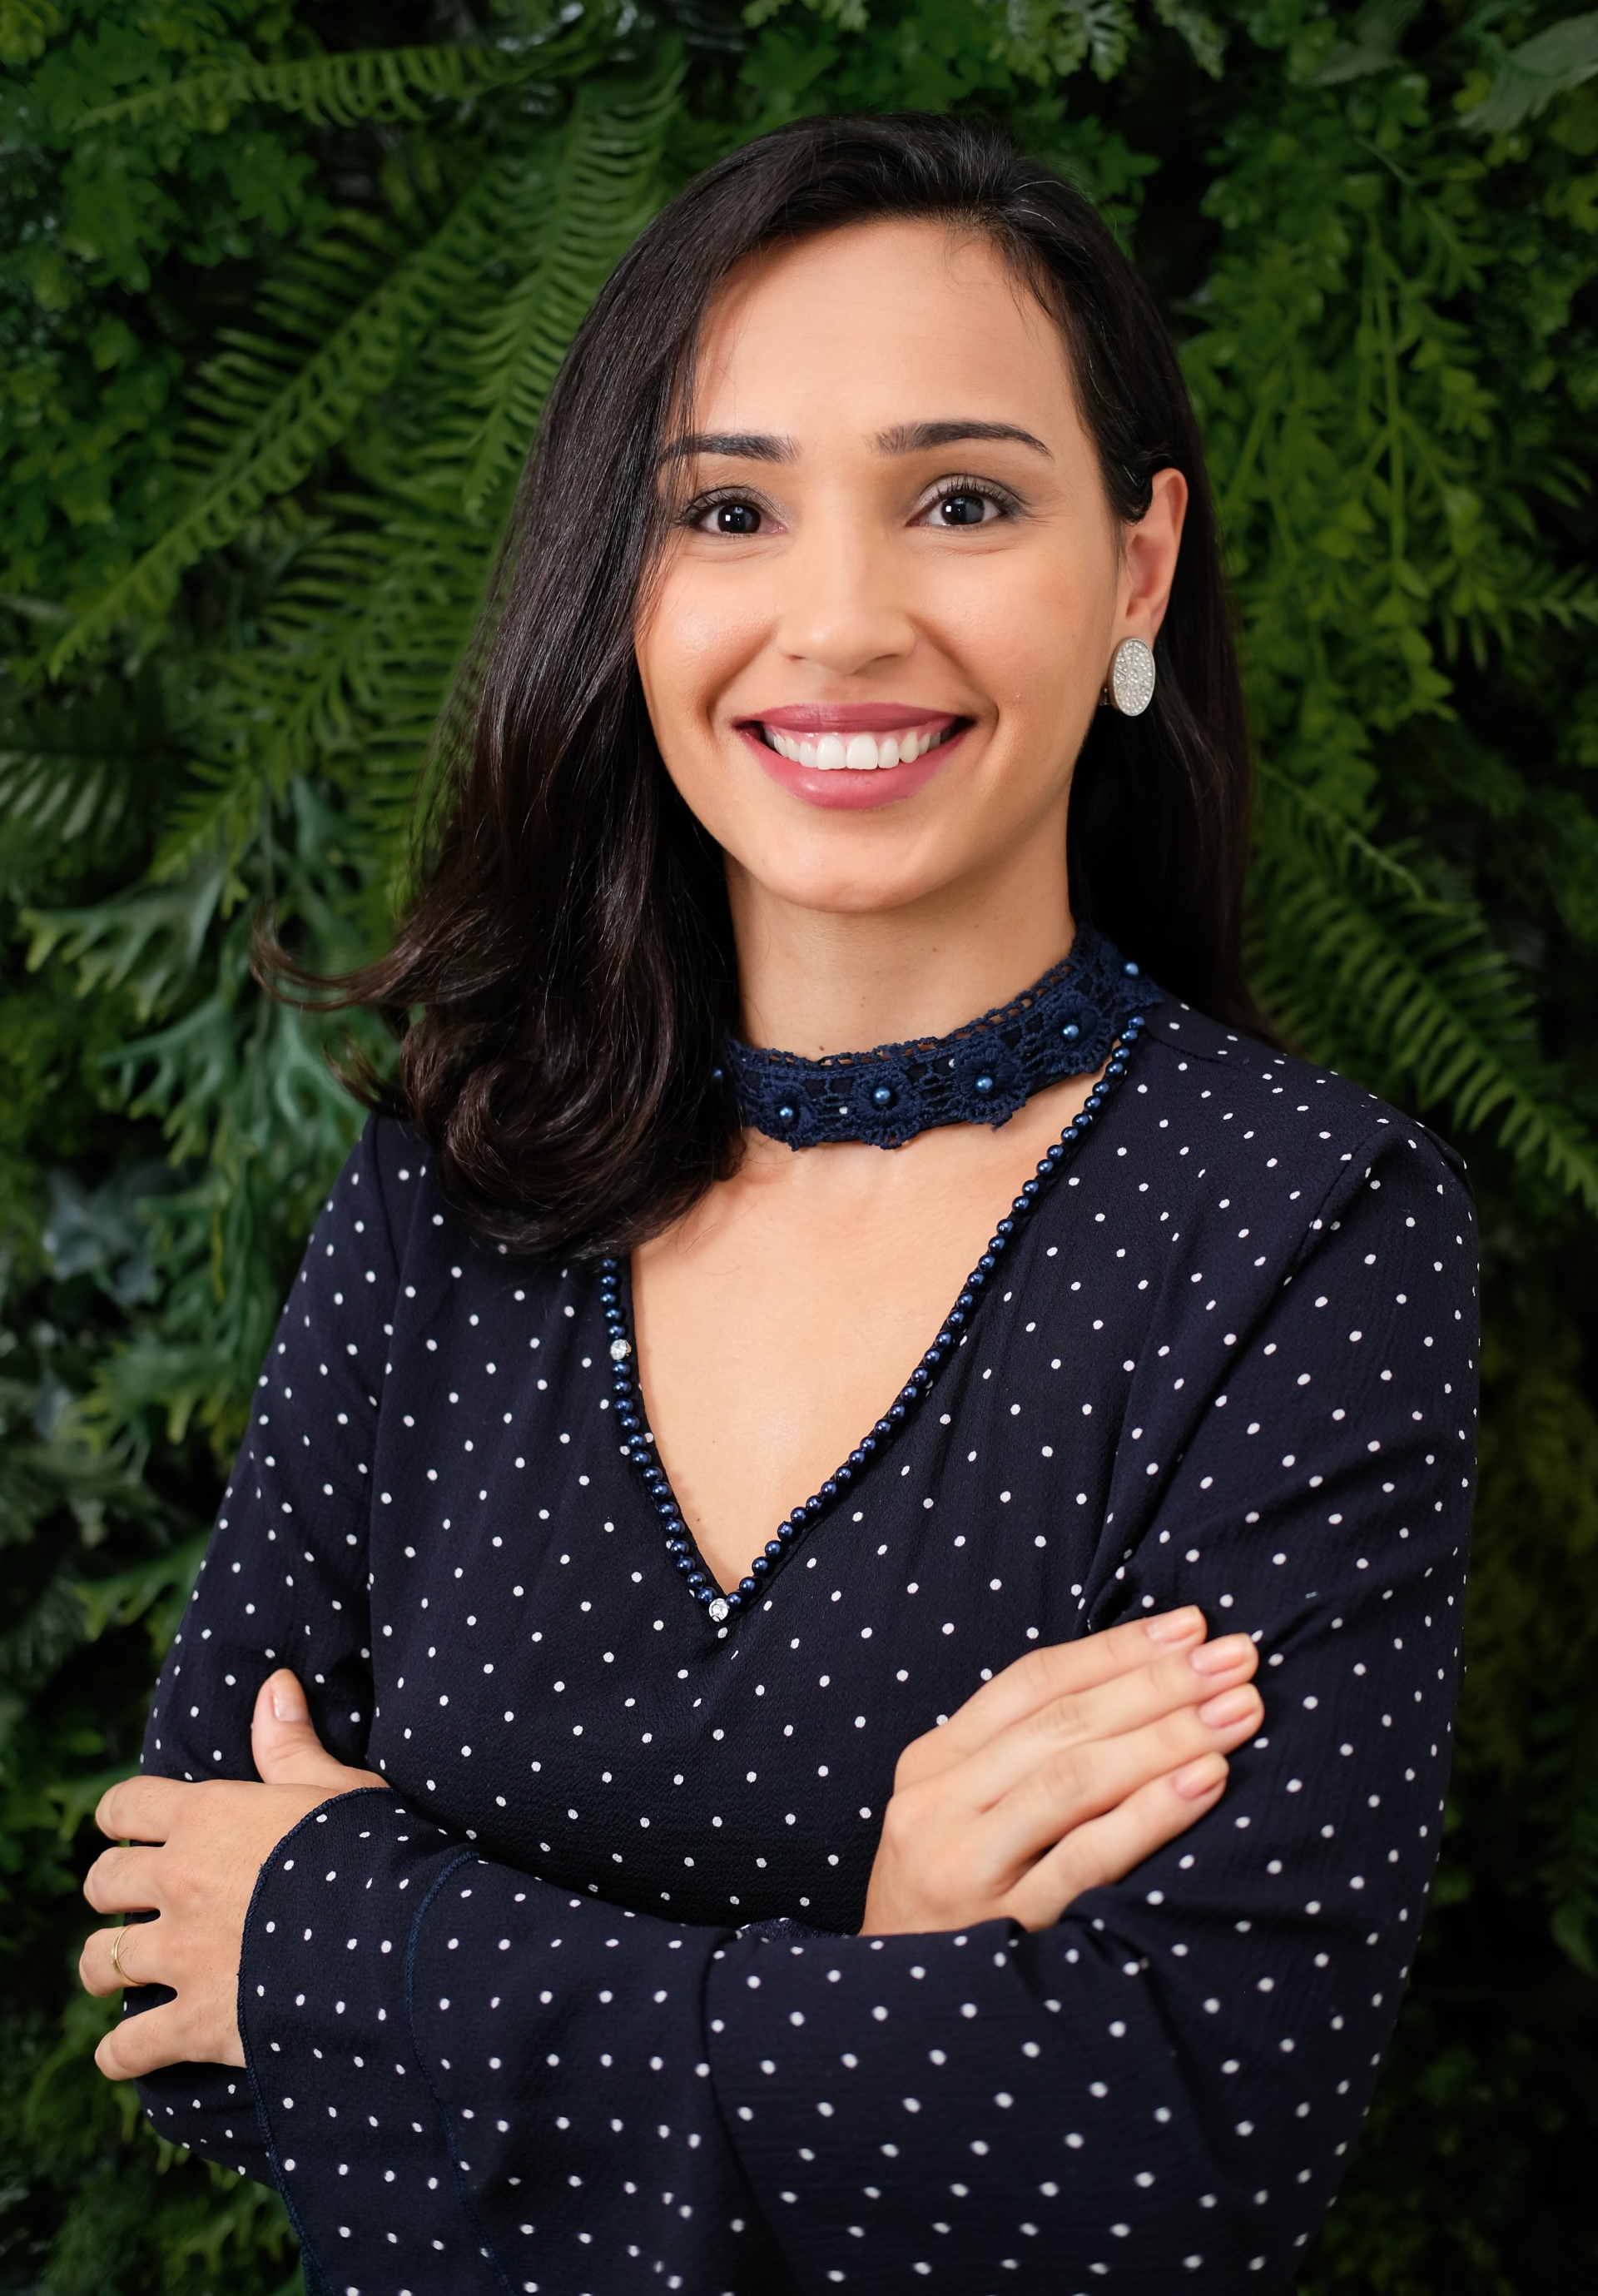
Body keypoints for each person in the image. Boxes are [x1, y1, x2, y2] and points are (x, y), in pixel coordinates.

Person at [77, 112, 1476, 2295]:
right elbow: (180, 1981)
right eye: (728, 508)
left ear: (1136, 563)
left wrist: (354, 1939)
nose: (839, 618)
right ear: (622, 582)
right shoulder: (462, 1175)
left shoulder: (1302, 1233)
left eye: (962, 500)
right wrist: (894, 1968)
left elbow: (1180, 2158)